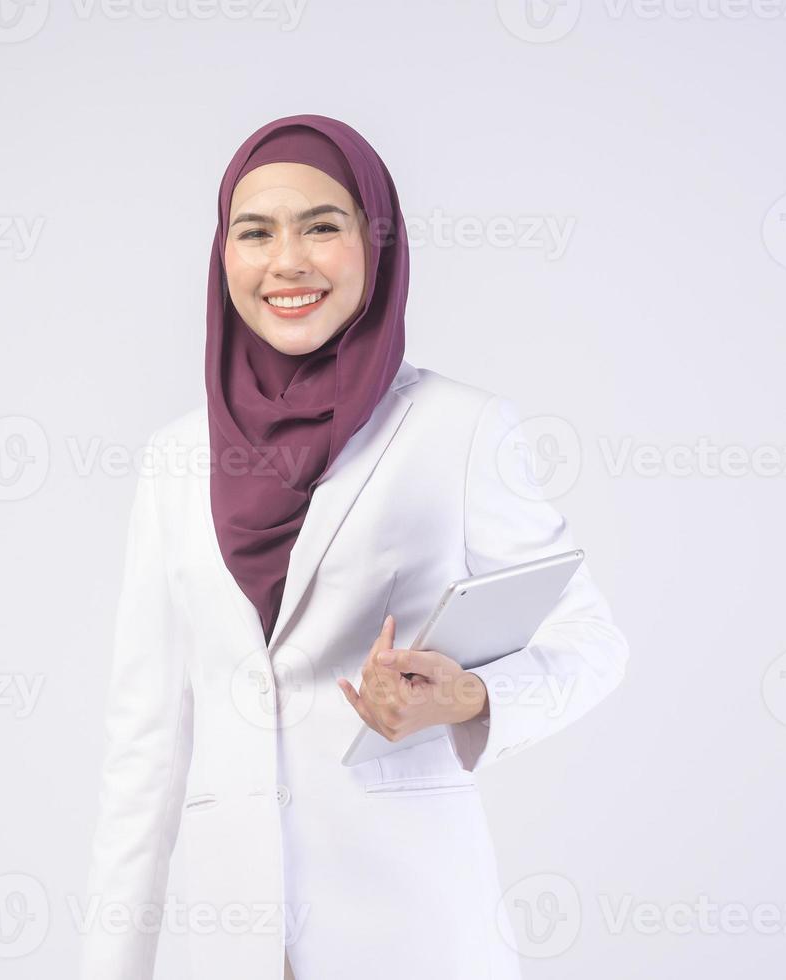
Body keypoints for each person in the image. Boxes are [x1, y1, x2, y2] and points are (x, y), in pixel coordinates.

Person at [81, 113, 629, 980]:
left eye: (322, 227)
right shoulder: (175, 459)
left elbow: (591, 645)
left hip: (409, 928)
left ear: (377, 244)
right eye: (254, 232)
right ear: (222, 257)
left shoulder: (457, 429)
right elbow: (144, 747)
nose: (286, 260)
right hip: (231, 943)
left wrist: (468, 697)